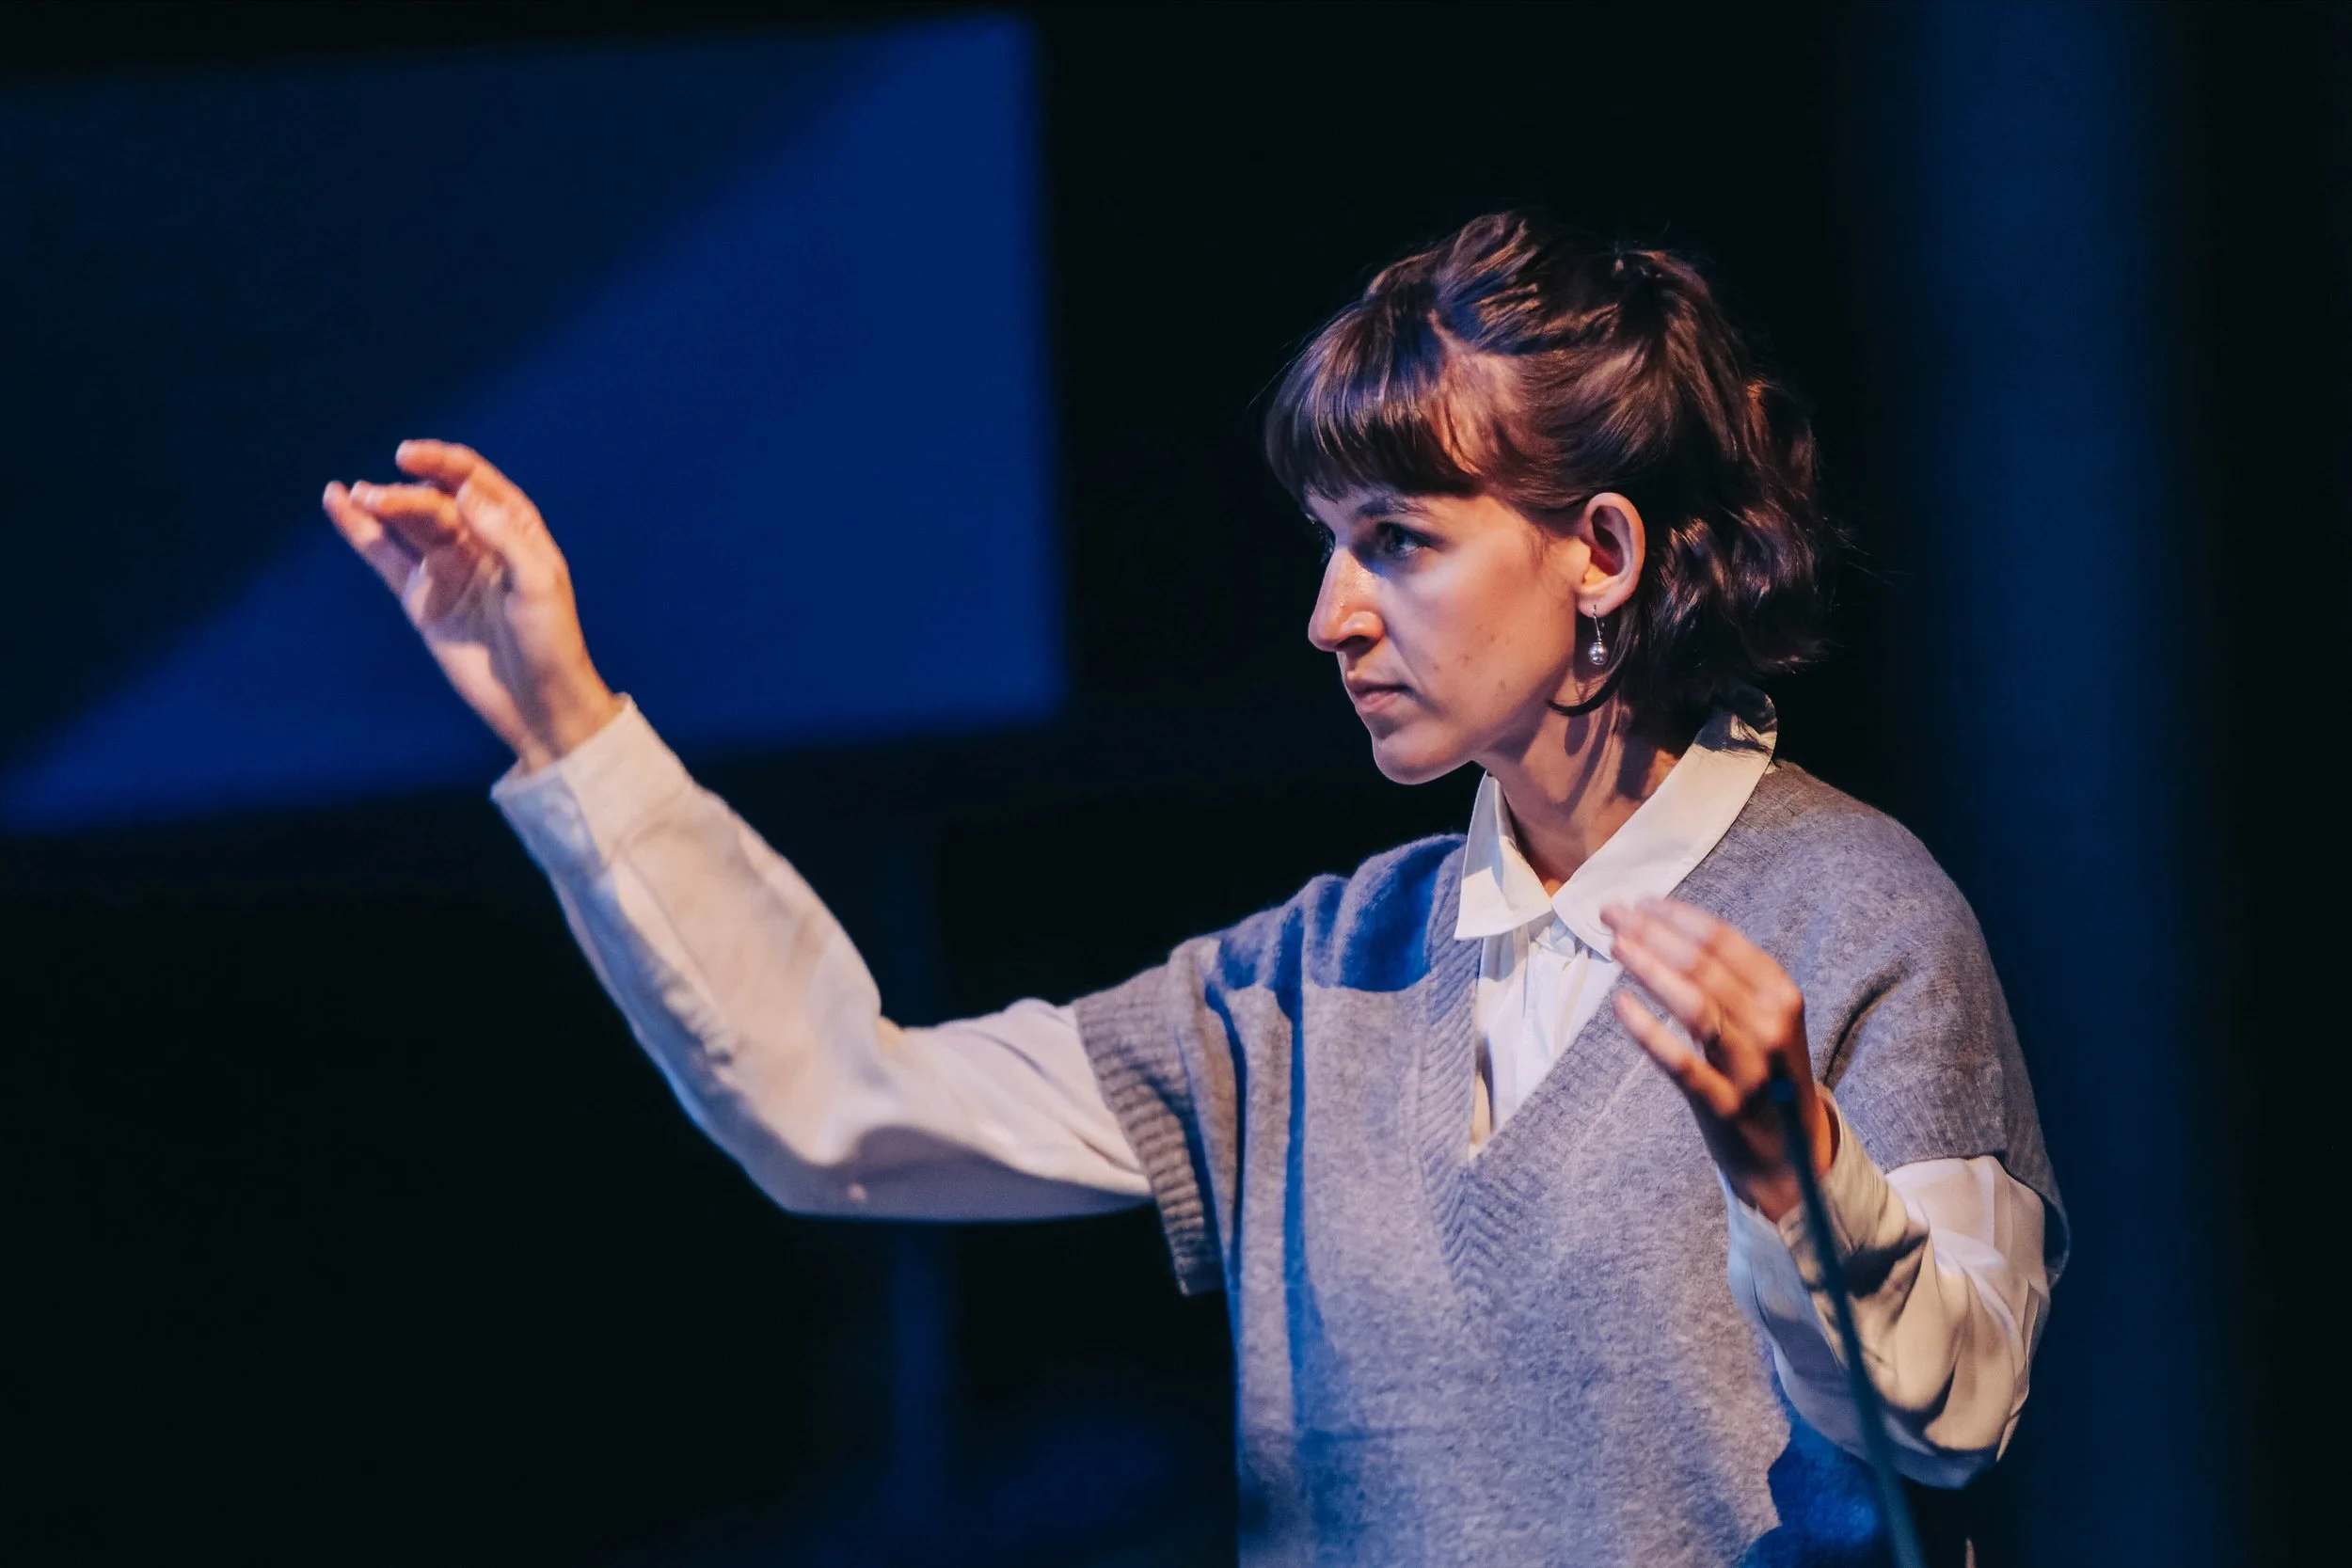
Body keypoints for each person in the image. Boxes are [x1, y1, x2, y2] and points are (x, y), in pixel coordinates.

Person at [323, 212, 2064, 1566]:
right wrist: (568, 720)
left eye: (1397, 537)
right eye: (1327, 543)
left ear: (1599, 552)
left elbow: (1956, 1416)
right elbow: (836, 1107)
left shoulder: (1851, 908)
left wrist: (1796, 1168)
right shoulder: (1311, 985)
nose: (1331, 612)